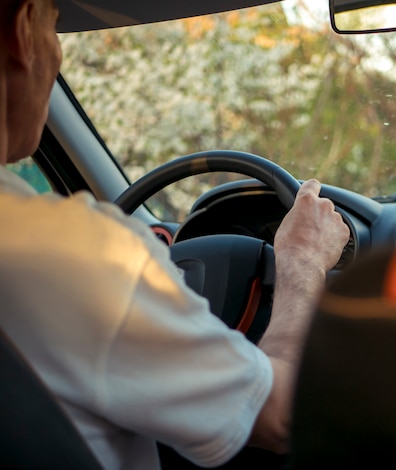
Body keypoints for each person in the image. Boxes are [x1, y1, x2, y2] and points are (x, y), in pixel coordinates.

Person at [0, 0, 350, 468]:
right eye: (54, 26)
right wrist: (303, 258)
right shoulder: (84, 256)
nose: (56, 50)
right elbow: (282, 415)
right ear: (23, 30)